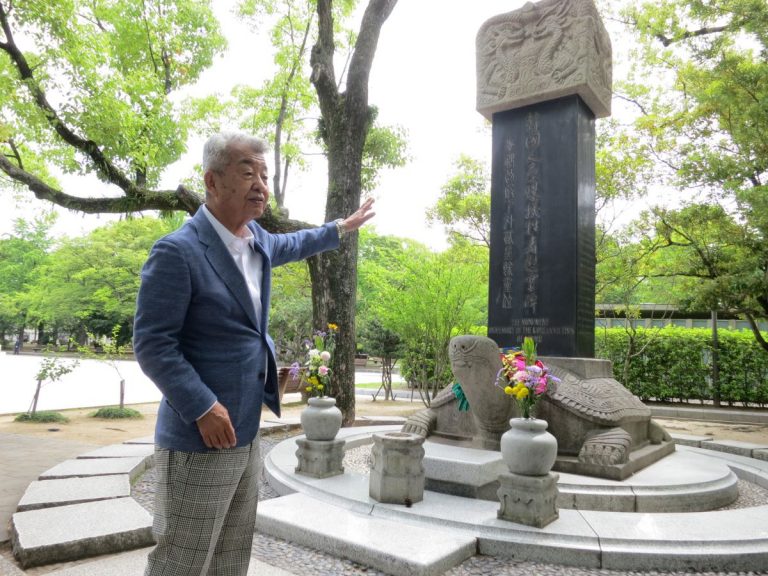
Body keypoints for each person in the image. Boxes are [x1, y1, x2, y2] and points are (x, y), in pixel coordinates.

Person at [133, 131, 375, 576]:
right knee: (182, 560)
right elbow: (152, 345)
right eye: (248, 172)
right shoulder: (177, 251)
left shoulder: (257, 241)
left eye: (264, 173)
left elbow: (297, 244)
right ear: (212, 181)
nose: (261, 184)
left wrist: (342, 228)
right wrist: (202, 406)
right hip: (198, 437)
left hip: (246, 430)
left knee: (230, 555)